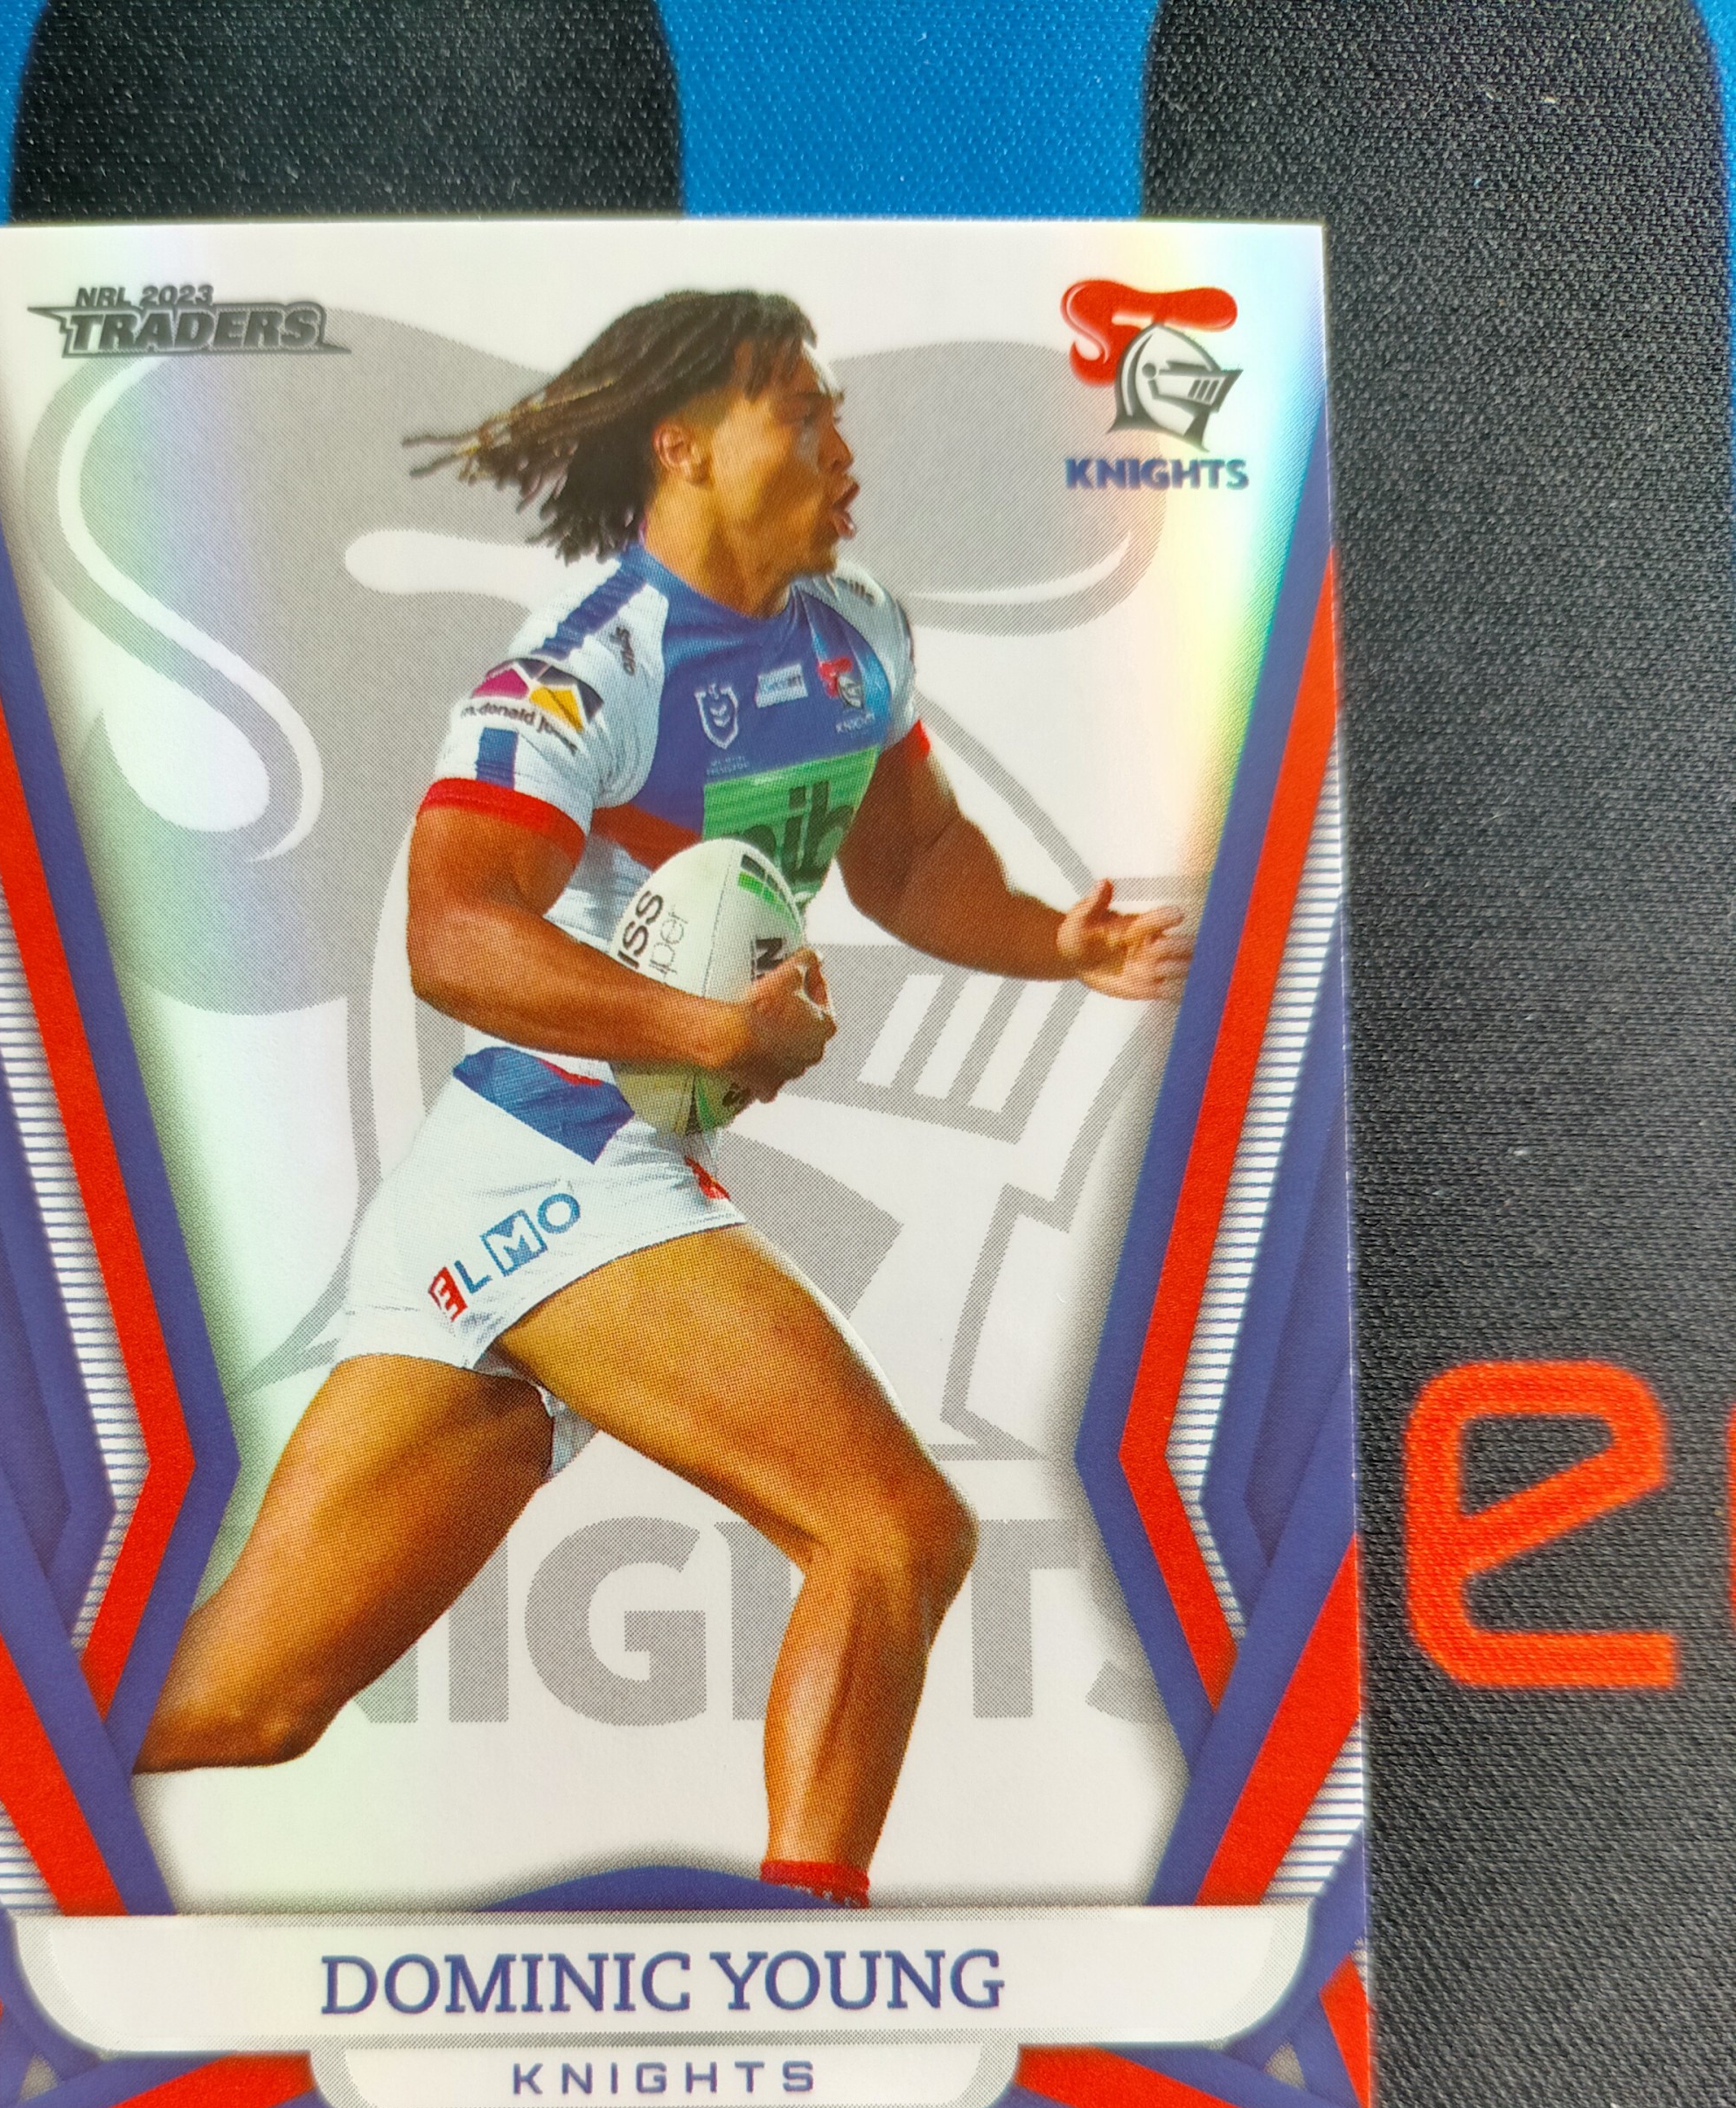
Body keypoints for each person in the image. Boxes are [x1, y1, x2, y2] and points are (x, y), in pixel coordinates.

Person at [136, 288, 1189, 1906]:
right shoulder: (581, 673)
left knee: (245, 1701)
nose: (845, 447)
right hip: (559, 1154)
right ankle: (805, 1965)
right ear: (684, 446)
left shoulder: (856, 635)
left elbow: (911, 860)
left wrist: (1061, 939)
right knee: (892, 1530)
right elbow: (451, 933)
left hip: (512, 1197)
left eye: (840, 413)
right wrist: (709, 1030)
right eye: (805, 414)